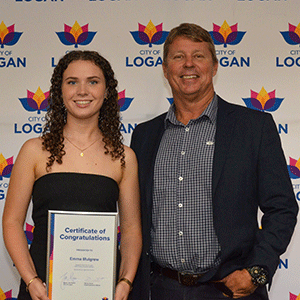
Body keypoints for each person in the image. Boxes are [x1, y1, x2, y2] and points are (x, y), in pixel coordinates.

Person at [130, 23, 298, 300]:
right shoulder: (144, 136)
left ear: (215, 66)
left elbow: (282, 208)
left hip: (229, 290)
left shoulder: (253, 128)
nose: (188, 65)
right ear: (164, 68)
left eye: (198, 56)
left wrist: (256, 272)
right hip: (160, 289)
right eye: (178, 56)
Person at [2, 50, 142, 300]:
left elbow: (131, 229)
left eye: (93, 81)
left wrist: (125, 281)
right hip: (42, 291)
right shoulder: (34, 150)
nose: (82, 91)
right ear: (60, 91)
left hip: (104, 290)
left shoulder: (124, 157)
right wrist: (31, 281)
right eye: (72, 82)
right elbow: (12, 222)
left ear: (107, 91)